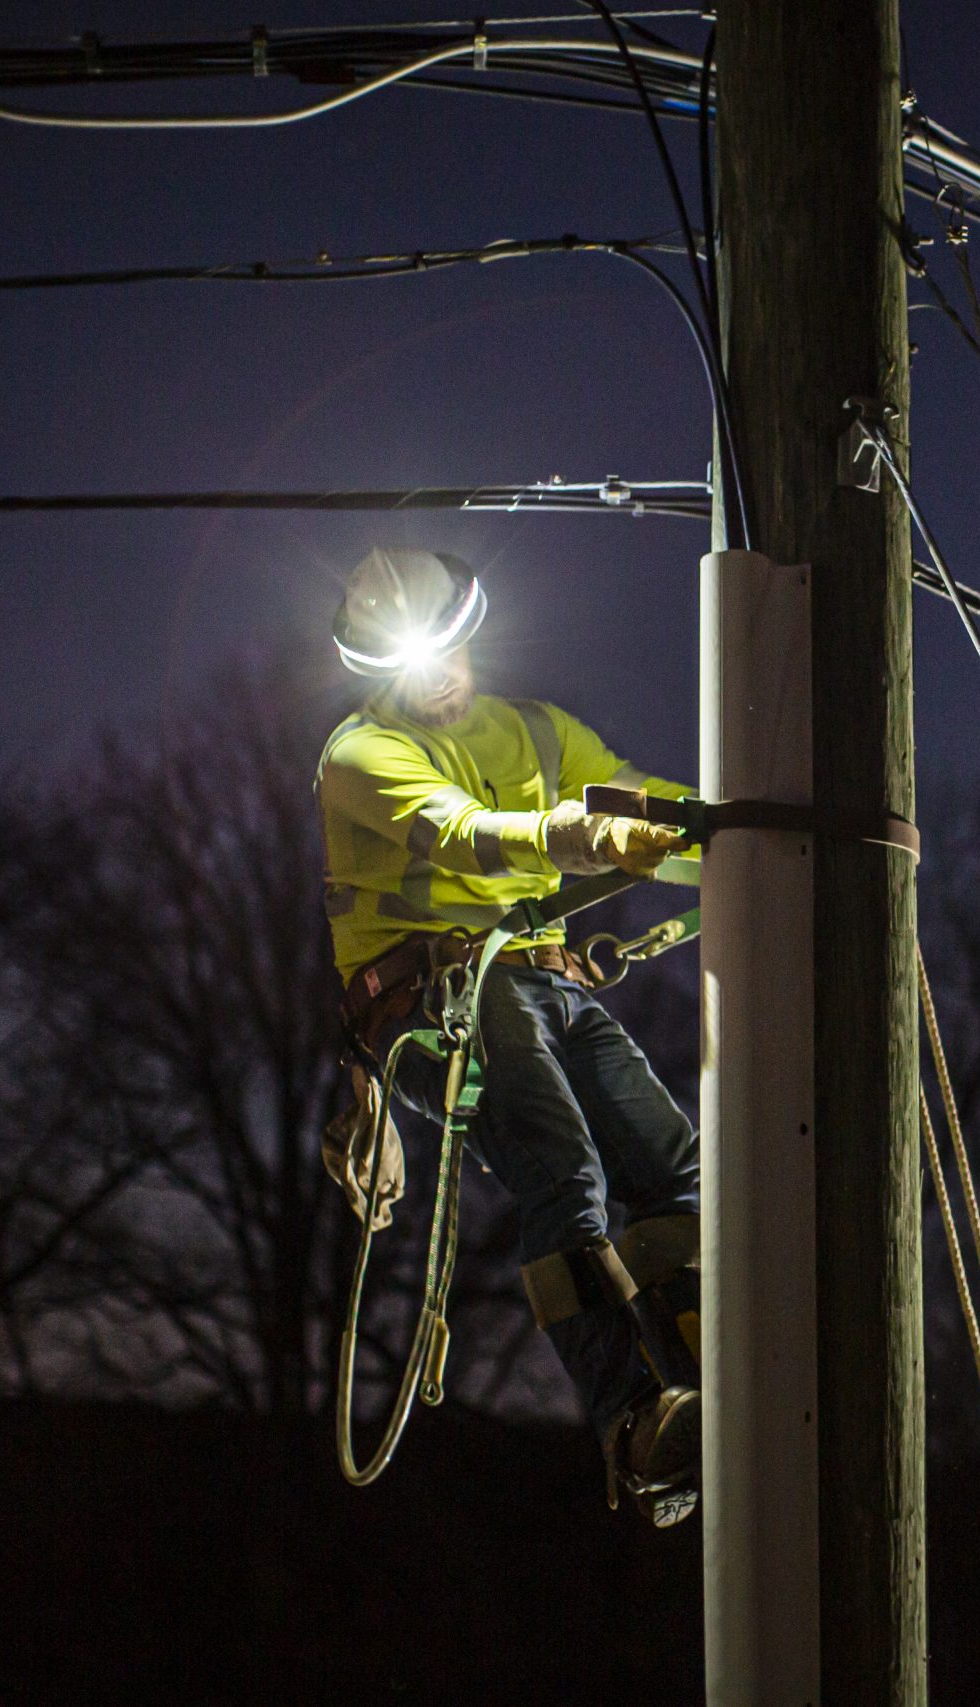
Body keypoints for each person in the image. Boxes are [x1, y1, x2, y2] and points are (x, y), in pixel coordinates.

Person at [314, 545, 702, 1525]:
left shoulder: (538, 732)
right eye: (408, 661)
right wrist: (569, 835)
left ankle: (707, 1358)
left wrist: (743, 837)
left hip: (550, 984)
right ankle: (634, 1424)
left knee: (669, 1166)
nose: (432, 674)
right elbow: (457, 831)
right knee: (562, 1173)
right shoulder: (358, 754)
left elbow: (636, 804)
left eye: (442, 649)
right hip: (438, 1004)